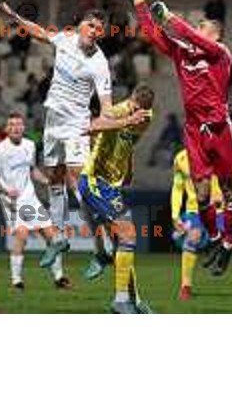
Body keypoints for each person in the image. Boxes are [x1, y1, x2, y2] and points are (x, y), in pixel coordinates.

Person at [0, 2, 147, 280]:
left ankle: (101, 249)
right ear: (79, 27)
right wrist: (14, 17)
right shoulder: (64, 39)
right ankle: (58, 239)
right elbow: (40, 32)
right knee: (55, 179)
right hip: (52, 121)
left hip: (77, 125)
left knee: (82, 187)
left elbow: (106, 110)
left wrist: (125, 120)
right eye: (91, 26)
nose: (95, 32)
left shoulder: (99, 63)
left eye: (100, 30)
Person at [126, 0, 232, 276]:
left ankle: (228, 244)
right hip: (193, 129)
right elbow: (151, 33)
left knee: (228, 192)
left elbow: (192, 35)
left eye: (201, 28)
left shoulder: (220, 53)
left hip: (218, 128)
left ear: (215, 35)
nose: (196, 32)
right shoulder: (181, 52)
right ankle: (216, 240)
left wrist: (171, 18)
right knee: (201, 194)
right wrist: (139, 0)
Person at [78, 84, 155, 313]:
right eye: (134, 108)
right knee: (128, 234)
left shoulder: (146, 118)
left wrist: (129, 168)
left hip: (112, 185)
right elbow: (93, 126)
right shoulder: (117, 111)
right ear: (130, 100)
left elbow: (129, 142)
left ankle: (134, 300)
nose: (136, 113)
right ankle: (121, 300)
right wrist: (126, 120)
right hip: (94, 180)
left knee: (124, 241)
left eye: (140, 111)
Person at [0, 112, 70, 290]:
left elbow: (32, 170)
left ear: (24, 128)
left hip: (30, 197)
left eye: (19, 124)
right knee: (22, 236)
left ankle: (59, 278)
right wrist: (5, 191)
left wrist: (47, 182)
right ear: (6, 129)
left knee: (51, 236)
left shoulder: (30, 145)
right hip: (12, 201)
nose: (16, 128)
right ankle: (17, 281)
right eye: (12, 125)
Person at [170, 147, 232, 301]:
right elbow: (178, 187)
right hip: (195, 210)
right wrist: (175, 215)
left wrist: (225, 194)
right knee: (193, 237)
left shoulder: (221, 152)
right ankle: (185, 287)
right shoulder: (181, 158)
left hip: (220, 209)